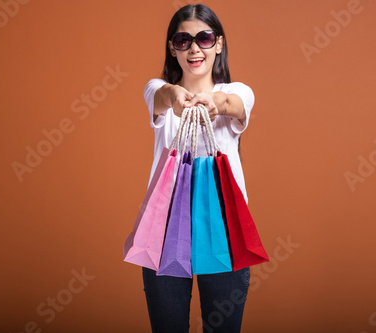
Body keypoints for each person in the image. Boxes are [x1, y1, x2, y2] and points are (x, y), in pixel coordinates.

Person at [141, 4, 255, 332]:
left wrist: (212, 103)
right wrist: (177, 96)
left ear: (218, 44)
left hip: (223, 226)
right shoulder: (156, 90)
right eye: (183, 40)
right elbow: (162, 95)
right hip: (164, 229)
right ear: (172, 47)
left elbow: (233, 105)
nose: (194, 48)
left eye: (204, 38)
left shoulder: (237, 92)